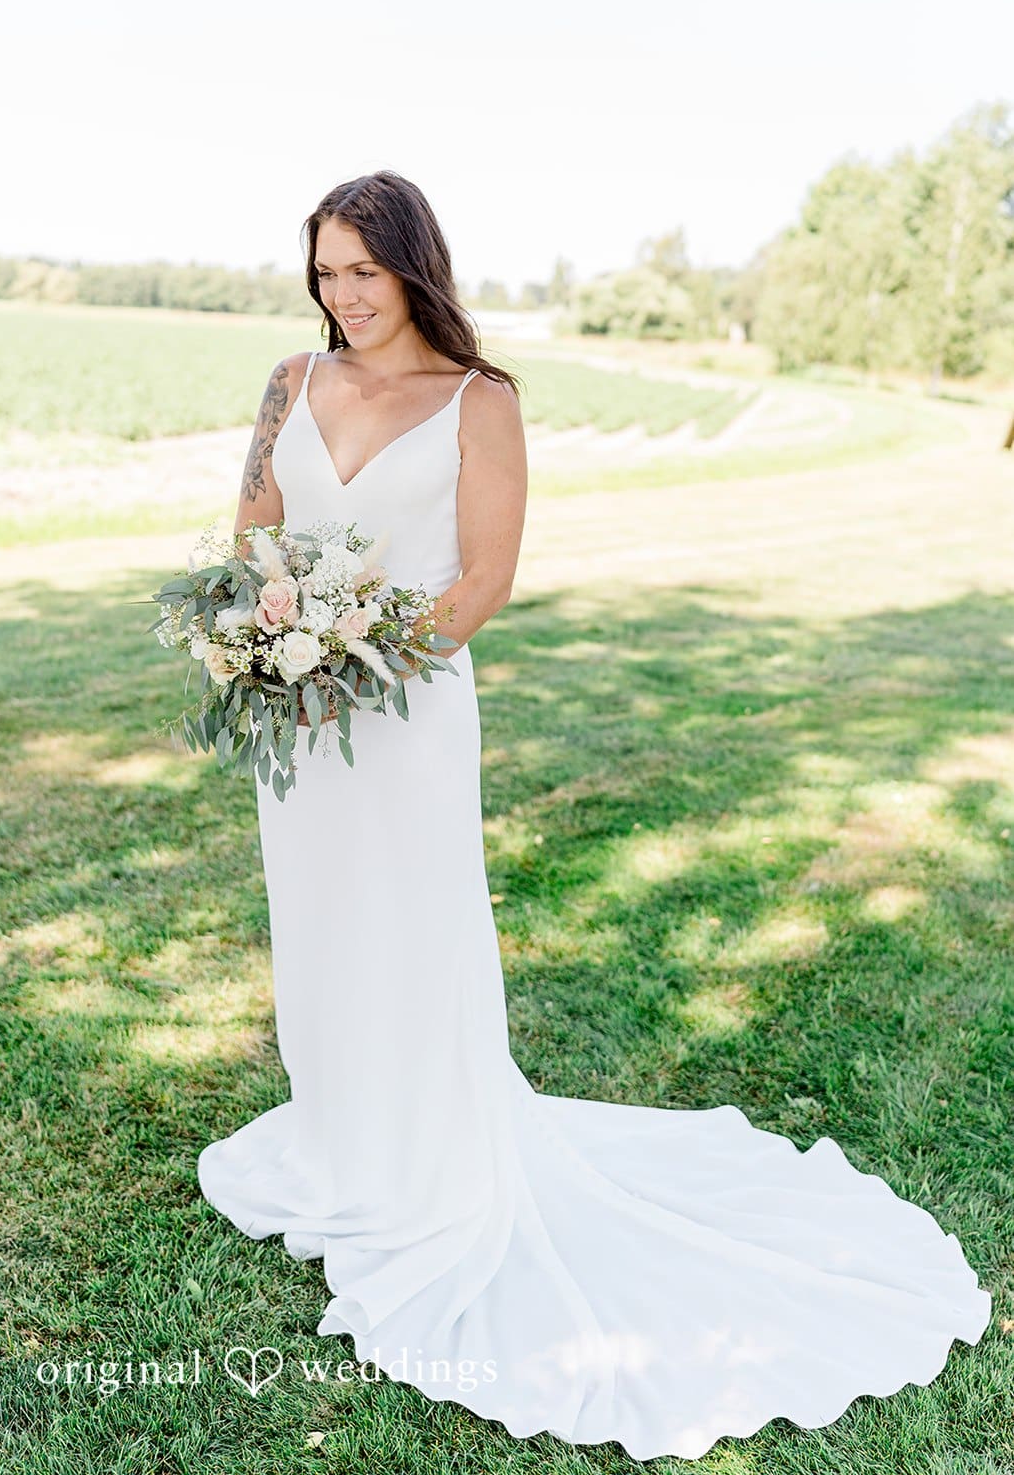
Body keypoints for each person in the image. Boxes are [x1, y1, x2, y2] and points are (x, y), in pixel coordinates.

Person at [196, 170, 990, 1462]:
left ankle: (427, 1166)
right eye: (325, 274)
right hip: (294, 713)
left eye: (363, 273)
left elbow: (486, 576)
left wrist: (358, 660)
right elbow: (255, 521)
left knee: (413, 926)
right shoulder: (288, 382)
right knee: (322, 924)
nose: (342, 299)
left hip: (400, 712)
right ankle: (341, 1138)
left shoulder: (481, 400)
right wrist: (260, 636)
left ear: (413, 271)